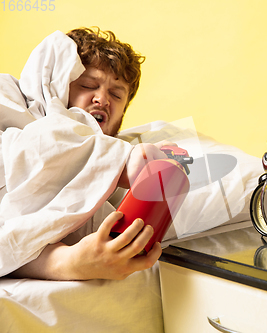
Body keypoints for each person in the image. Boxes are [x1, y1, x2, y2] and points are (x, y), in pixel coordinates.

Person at [0, 28, 171, 280]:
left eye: (116, 94)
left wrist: (71, 261)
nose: (102, 99)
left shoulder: (106, 167)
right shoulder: (22, 116)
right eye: (88, 85)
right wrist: (122, 160)